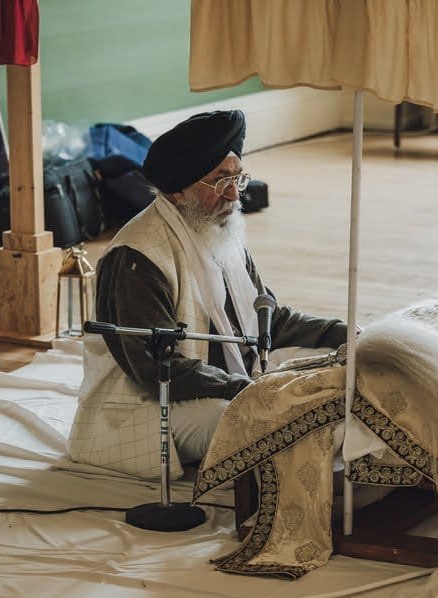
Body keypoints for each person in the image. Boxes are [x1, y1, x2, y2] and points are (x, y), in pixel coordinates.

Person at [69, 110, 347, 479]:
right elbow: (156, 369)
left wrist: (341, 333)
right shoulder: (137, 257)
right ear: (178, 190)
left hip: (233, 378)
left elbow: (268, 319)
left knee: (332, 362)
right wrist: (243, 389)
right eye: (220, 182)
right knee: (240, 416)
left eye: (237, 178)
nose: (234, 194)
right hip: (149, 406)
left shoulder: (220, 228)